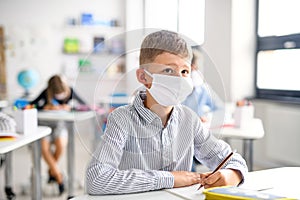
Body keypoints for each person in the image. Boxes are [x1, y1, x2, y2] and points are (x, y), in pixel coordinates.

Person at [86, 30, 248, 195]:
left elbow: (232, 160)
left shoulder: (189, 119)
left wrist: (232, 175)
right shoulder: (122, 119)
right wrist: (170, 178)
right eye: (169, 71)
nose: (179, 80)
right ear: (143, 77)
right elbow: (97, 179)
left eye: (184, 72)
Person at [30, 74, 86, 195]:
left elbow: (84, 105)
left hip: (60, 125)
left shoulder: (70, 91)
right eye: (56, 93)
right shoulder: (46, 92)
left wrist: (70, 106)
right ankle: (59, 178)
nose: (59, 95)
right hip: (44, 125)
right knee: (44, 149)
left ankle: (52, 172)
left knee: (60, 145)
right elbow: (32, 104)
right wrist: (46, 106)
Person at [182, 48, 224, 123]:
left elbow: (221, 109)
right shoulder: (178, 88)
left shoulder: (204, 89)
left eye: (197, 68)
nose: (196, 71)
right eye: (194, 68)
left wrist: (207, 116)